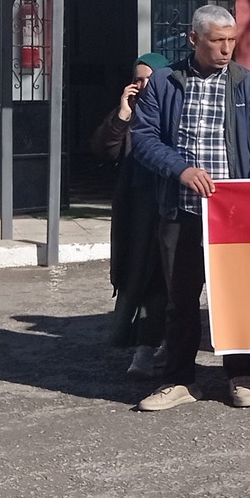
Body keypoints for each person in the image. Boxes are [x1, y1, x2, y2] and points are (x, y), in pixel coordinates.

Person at [125, 6, 250, 412]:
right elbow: (143, 139)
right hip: (180, 211)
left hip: (232, 217)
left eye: (232, 40)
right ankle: (180, 380)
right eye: (217, 41)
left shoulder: (247, 83)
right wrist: (180, 170)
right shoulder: (164, 83)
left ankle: (240, 376)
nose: (227, 49)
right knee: (180, 300)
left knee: (236, 297)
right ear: (194, 39)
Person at [93, 51, 169, 379]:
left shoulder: (173, 109)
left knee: (166, 279)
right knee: (138, 274)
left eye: (147, 79)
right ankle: (145, 345)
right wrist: (123, 113)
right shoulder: (131, 113)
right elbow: (104, 150)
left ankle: (155, 346)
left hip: (169, 206)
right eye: (136, 79)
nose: (140, 85)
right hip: (137, 210)